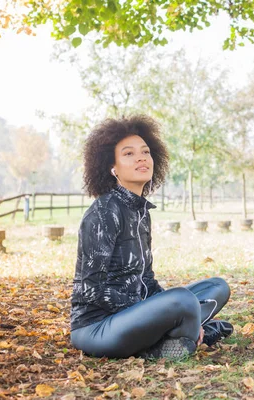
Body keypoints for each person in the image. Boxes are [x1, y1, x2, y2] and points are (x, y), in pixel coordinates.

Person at [70, 115, 233, 360]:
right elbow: (91, 290)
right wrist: (154, 309)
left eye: (145, 152)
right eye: (128, 154)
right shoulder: (104, 212)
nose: (141, 158)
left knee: (217, 287)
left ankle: (183, 332)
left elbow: (146, 279)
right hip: (97, 327)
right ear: (112, 167)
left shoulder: (141, 213)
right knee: (182, 301)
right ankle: (181, 336)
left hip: (135, 315)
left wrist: (163, 308)